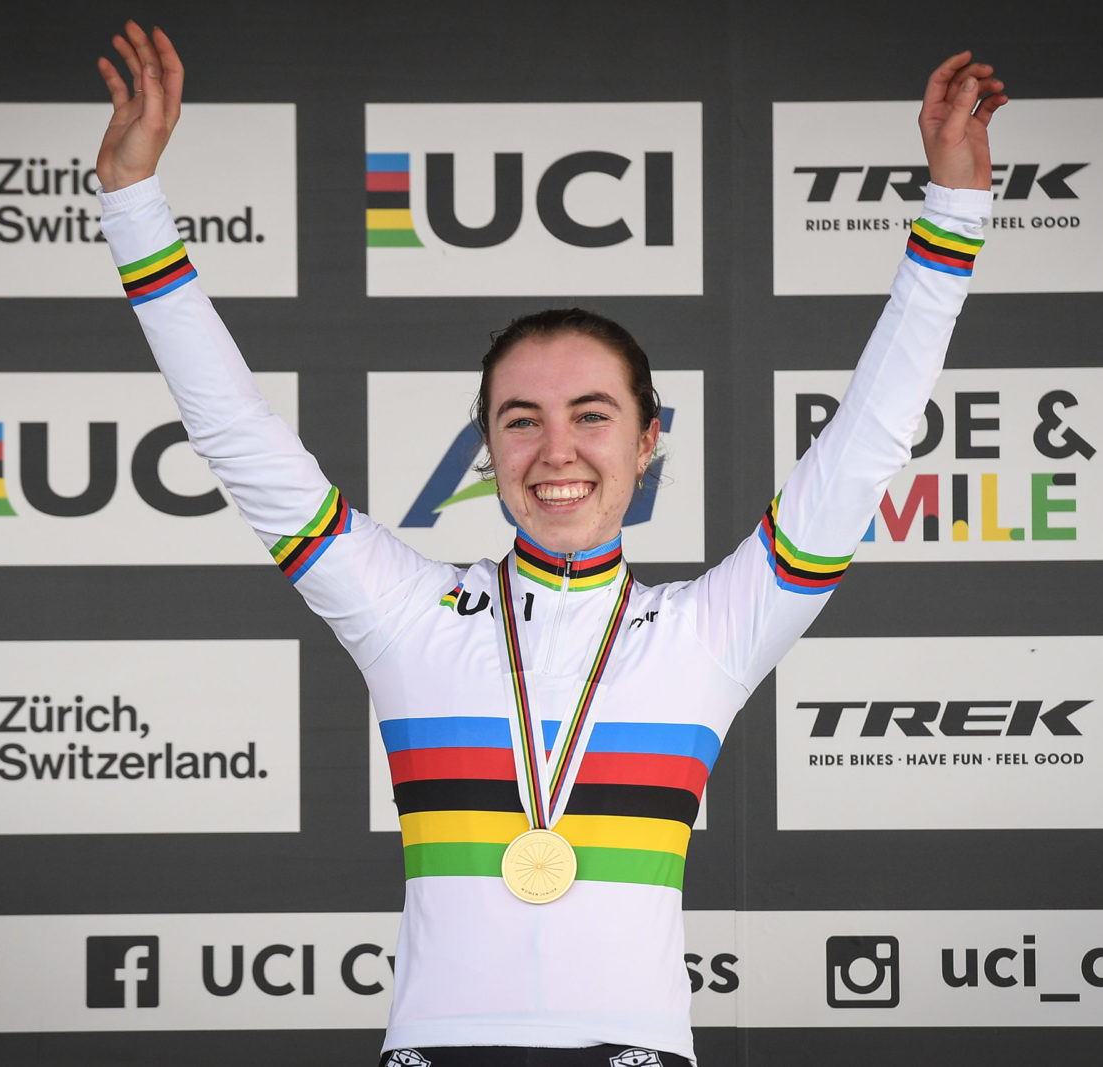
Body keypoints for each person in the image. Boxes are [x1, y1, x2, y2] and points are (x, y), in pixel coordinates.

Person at [94, 21, 1005, 1066]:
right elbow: (235, 433)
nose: (556, 450)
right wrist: (132, 202)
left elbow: (866, 443)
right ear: (487, 448)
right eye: (520, 420)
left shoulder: (708, 630)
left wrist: (954, 211)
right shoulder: (407, 614)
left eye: (592, 415)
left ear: (648, 439)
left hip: (637, 1050)